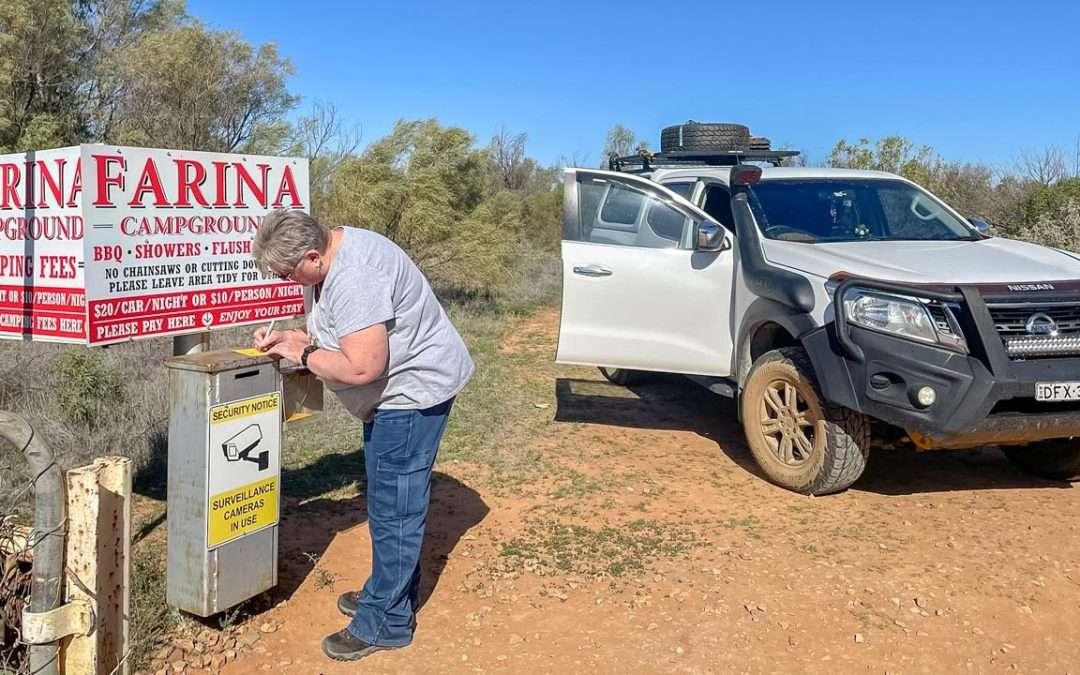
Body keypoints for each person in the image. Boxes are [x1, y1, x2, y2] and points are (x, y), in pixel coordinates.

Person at [251, 209, 474, 662]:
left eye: (288, 273)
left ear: (312, 253)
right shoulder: (333, 251)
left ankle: (385, 622)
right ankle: (387, 592)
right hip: (397, 393)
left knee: (394, 510)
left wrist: (307, 352)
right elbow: (342, 330)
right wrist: (295, 341)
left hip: (412, 394)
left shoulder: (354, 277)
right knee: (391, 502)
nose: (288, 282)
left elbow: (361, 366)